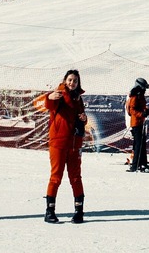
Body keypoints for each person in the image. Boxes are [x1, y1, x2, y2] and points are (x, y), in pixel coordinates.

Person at [44, 69, 87, 224]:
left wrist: (84, 118)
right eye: (70, 80)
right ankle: (49, 211)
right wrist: (49, 97)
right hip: (58, 142)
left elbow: (82, 118)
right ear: (65, 80)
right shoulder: (59, 93)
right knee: (56, 177)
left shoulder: (78, 98)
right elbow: (48, 104)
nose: (72, 83)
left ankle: (79, 211)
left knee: (76, 177)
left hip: (75, 143)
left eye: (75, 81)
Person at [126, 77, 149, 172]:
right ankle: (134, 165)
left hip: (141, 123)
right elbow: (132, 110)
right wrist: (141, 114)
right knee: (138, 144)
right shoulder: (134, 95)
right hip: (136, 123)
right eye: (144, 87)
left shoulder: (141, 95)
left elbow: (142, 108)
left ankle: (143, 163)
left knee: (142, 144)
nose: (145, 90)